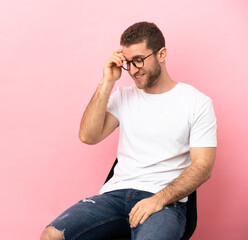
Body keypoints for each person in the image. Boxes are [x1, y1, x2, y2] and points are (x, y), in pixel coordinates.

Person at [40, 21, 217, 240]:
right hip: (114, 197)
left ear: (161, 54)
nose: (132, 70)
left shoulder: (197, 103)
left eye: (139, 60)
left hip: (163, 202)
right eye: (128, 63)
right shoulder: (123, 96)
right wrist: (107, 82)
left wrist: (158, 200)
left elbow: (202, 167)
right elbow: (88, 136)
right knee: (52, 235)